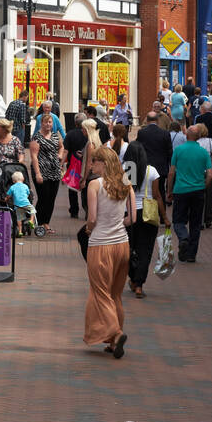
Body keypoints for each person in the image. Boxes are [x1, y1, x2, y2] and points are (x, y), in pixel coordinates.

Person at [82, 146, 134, 358]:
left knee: (101, 293)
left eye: (94, 161)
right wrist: (117, 225)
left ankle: (116, 332)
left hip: (101, 245)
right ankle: (113, 343)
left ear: (103, 163)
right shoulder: (125, 183)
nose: (92, 165)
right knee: (115, 295)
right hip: (122, 244)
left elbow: (92, 218)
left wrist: (88, 228)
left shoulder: (95, 185)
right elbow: (133, 219)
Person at [166, 125, 212, 263]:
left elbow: (171, 172)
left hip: (181, 190)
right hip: (198, 191)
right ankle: (191, 254)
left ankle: (183, 237)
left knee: (178, 220)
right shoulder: (203, 152)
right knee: (196, 223)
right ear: (198, 137)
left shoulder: (179, 150)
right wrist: (204, 186)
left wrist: (169, 191)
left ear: (187, 136)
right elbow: (210, 175)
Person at [127, 146, 167, 298]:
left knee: (129, 250)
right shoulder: (152, 171)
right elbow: (157, 195)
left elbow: (123, 193)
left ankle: (133, 277)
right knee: (145, 251)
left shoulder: (127, 169)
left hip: (130, 214)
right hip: (148, 214)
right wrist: (165, 217)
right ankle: (139, 285)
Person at [29, 112, 64, 234]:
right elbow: (34, 156)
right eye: (46, 122)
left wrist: (60, 155)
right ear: (41, 123)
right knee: (43, 197)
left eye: (50, 122)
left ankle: (46, 223)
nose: (48, 124)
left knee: (51, 199)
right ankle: (36, 222)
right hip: (41, 171)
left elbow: (61, 146)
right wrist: (38, 174)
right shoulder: (36, 138)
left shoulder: (55, 136)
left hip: (54, 171)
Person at [135, 111, 174, 194]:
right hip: (161, 168)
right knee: (160, 191)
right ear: (158, 120)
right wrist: (171, 167)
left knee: (147, 191)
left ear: (147, 121)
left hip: (146, 167)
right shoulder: (165, 134)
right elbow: (170, 152)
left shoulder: (142, 133)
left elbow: (138, 149)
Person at [195, 124, 212, 228]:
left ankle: (199, 219)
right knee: (209, 195)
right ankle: (208, 218)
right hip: (209, 171)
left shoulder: (195, 143)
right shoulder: (211, 141)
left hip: (197, 172)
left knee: (198, 195)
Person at [62, 113, 89, 219]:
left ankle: (74, 210)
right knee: (85, 187)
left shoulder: (70, 134)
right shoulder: (88, 134)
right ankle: (87, 208)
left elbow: (65, 150)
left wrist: (61, 164)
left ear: (75, 123)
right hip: (85, 164)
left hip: (73, 164)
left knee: (72, 188)